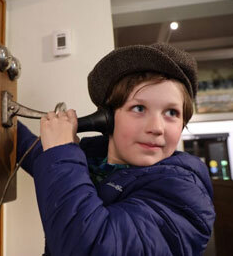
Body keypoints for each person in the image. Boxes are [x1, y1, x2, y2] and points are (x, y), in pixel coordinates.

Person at [16, 43, 215, 256]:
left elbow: (89, 247)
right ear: (108, 119)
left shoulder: (185, 195)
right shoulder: (91, 158)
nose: (157, 128)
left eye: (172, 113)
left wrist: (62, 150)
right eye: (139, 108)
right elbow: (38, 157)